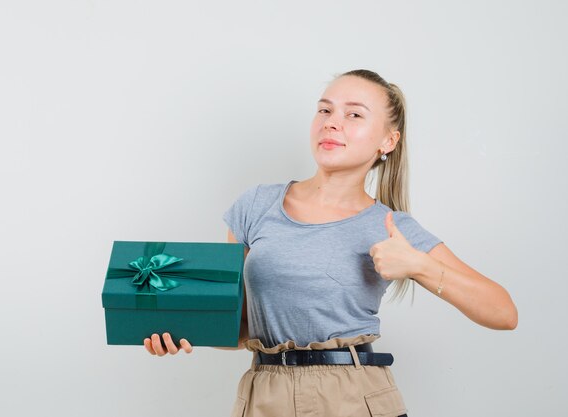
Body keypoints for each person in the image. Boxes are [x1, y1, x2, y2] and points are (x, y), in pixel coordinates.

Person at [143, 69, 518, 417]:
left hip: (354, 395)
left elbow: (504, 312)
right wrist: (185, 329)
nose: (331, 122)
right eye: (325, 109)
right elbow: (242, 328)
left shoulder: (392, 227)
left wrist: (418, 264)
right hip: (264, 393)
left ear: (388, 140)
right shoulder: (255, 205)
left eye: (354, 115)